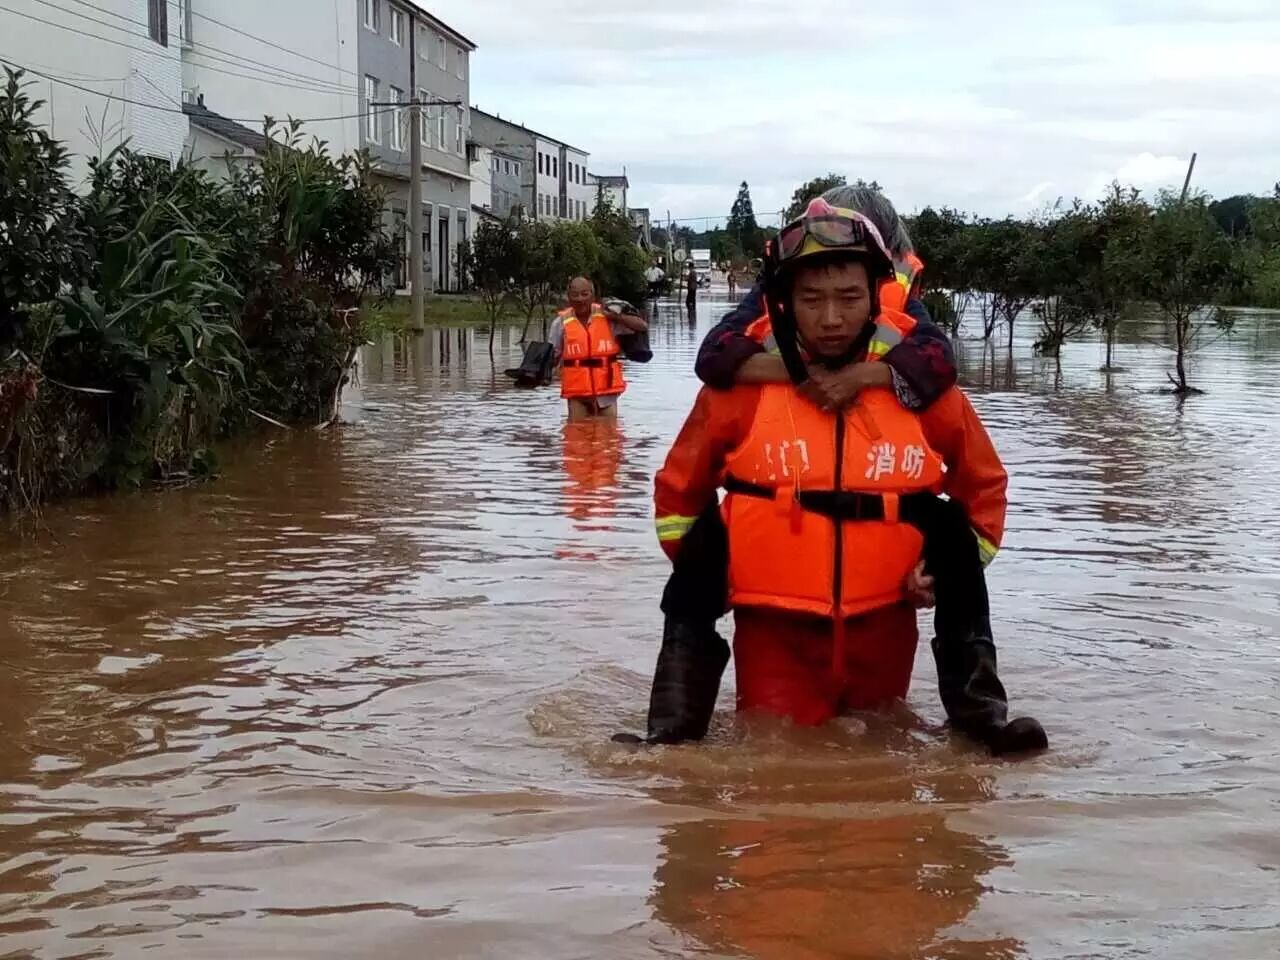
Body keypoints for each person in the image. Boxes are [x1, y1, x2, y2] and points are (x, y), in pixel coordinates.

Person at [634, 198, 1046, 754]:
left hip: (886, 623)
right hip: (774, 632)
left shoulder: (922, 385)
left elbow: (984, 486)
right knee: (769, 776)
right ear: (784, 301)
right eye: (812, 300)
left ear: (877, 295)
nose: (831, 318)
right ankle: (670, 738)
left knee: (883, 770)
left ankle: (983, 724)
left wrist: (943, 571)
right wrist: (710, 571)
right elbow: (679, 493)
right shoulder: (739, 387)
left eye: (849, 298)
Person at [549, 277, 647, 422]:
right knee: (576, 433)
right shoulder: (560, 323)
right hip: (577, 392)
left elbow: (642, 326)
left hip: (606, 392)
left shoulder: (607, 317)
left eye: (584, 294)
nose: (580, 299)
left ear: (593, 296)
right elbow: (553, 353)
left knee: (609, 432)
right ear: (568, 297)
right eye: (575, 295)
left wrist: (617, 317)